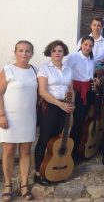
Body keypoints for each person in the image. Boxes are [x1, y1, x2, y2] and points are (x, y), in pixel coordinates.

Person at [0, 40, 37, 201]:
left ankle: (24, 184)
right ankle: (8, 184)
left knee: (26, 150)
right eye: (20, 50)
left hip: (28, 116)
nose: (24, 54)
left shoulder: (35, 70)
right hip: (10, 117)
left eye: (27, 51)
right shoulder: (8, 70)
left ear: (32, 54)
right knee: (8, 150)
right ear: (15, 52)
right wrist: (1, 115)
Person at [34, 40, 74, 186]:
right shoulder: (44, 69)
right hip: (50, 107)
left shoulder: (68, 69)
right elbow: (42, 91)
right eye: (54, 51)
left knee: (56, 141)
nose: (57, 53)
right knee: (44, 140)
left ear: (64, 53)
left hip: (64, 107)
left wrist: (71, 104)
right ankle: (38, 173)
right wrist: (60, 104)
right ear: (49, 53)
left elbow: (71, 89)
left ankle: (53, 169)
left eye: (60, 51)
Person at [64, 36, 96, 161]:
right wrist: (70, 92)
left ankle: (79, 149)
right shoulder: (72, 57)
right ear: (81, 44)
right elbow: (65, 73)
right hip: (76, 92)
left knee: (84, 121)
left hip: (88, 92)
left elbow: (89, 76)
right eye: (86, 44)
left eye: (90, 45)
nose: (88, 47)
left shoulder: (91, 59)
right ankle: (70, 153)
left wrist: (94, 79)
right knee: (77, 123)